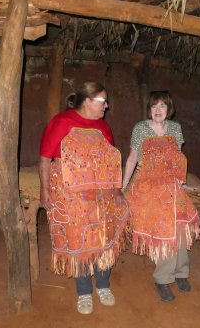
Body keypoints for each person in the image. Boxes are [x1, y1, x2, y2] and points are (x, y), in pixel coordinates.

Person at [39, 82, 129, 314]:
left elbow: (110, 162)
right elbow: (45, 159)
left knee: (102, 236)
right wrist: (45, 190)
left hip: (101, 193)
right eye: (102, 101)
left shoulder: (103, 127)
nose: (106, 106)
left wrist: (117, 189)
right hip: (70, 193)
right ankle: (84, 292)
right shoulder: (62, 122)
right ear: (87, 101)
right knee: (78, 238)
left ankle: (103, 285)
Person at [122, 91, 200, 302]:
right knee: (167, 226)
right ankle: (163, 279)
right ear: (149, 108)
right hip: (146, 183)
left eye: (163, 106)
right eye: (154, 106)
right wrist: (123, 186)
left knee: (182, 224)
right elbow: (132, 159)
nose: (158, 110)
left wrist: (181, 183)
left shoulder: (175, 129)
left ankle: (180, 272)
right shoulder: (141, 128)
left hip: (170, 183)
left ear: (169, 109)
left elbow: (178, 159)